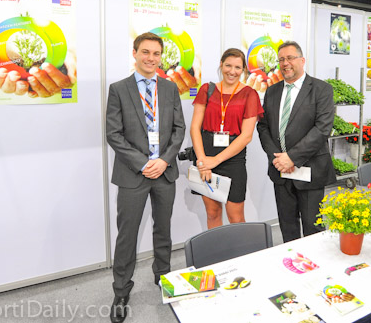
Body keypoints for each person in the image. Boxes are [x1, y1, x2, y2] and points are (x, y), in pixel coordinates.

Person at [106, 32, 185, 323]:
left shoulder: (170, 87)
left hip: (164, 172)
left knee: (163, 228)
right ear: (135, 53)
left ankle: (162, 276)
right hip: (132, 174)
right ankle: (121, 291)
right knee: (127, 235)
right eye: (146, 52)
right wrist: (143, 164)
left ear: (161, 57)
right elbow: (113, 134)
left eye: (156, 53)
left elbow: (179, 129)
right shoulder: (119, 89)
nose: (151, 58)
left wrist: (163, 161)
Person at [257, 41, 335, 242]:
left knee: (312, 227)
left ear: (302, 60)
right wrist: (277, 158)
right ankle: (291, 260)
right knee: (287, 225)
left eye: (290, 58)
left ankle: (315, 262)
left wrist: (291, 158)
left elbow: (322, 129)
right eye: (281, 59)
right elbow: (263, 127)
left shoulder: (321, 89)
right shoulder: (272, 91)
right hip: (280, 170)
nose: (285, 63)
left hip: (310, 169)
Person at [190, 48, 264, 228]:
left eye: (237, 67)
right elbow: (194, 128)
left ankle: (239, 248)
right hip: (205, 156)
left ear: (243, 70)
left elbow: (246, 136)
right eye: (228, 65)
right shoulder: (207, 90)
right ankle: (218, 248)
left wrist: (215, 161)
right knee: (212, 213)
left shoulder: (250, 94)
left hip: (233, 160)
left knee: (236, 217)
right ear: (221, 65)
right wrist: (203, 161)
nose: (232, 71)